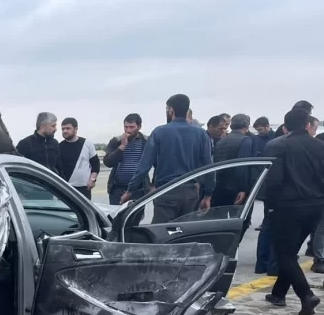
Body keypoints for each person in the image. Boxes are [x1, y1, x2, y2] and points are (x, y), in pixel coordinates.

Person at [263, 108, 324, 315]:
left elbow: (272, 181)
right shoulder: (320, 147)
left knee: (284, 254)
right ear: (307, 125)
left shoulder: (276, 145)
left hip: (287, 207)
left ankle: (306, 295)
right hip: (316, 207)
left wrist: (269, 207)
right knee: (290, 252)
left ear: (284, 127)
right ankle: (278, 293)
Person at [122, 94, 214, 222]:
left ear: (171, 110)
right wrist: (208, 195)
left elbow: (144, 165)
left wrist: (130, 190)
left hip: (167, 191)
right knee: (184, 233)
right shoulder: (200, 134)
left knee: (162, 233)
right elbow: (209, 166)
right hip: (191, 193)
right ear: (186, 110)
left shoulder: (159, 132)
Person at [103, 113, 148, 205]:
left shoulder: (146, 141)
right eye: (126, 127)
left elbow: (157, 162)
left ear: (139, 127)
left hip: (138, 189)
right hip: (117, 188)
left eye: (132, 127)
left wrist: (153, 184)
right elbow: (108, 162)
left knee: (135, 217)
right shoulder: (116, 141)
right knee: (116, 217)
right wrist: (122, 146)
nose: (128, 130)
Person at [211, 114, 254, 208]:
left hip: (219, 186)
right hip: (234, 188)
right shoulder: (245, 140)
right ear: (246, 126)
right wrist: (243, 189)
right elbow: (242, 166)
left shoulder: (221, 141)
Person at [58, 118, 99, 198]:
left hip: (84, 188)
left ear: (76, 129)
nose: (65, 131)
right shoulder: (59, 147)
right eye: (63, 129)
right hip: (65, 188)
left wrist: (92, 180)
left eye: (68, 128)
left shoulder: (87, 143)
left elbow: (96, 164)